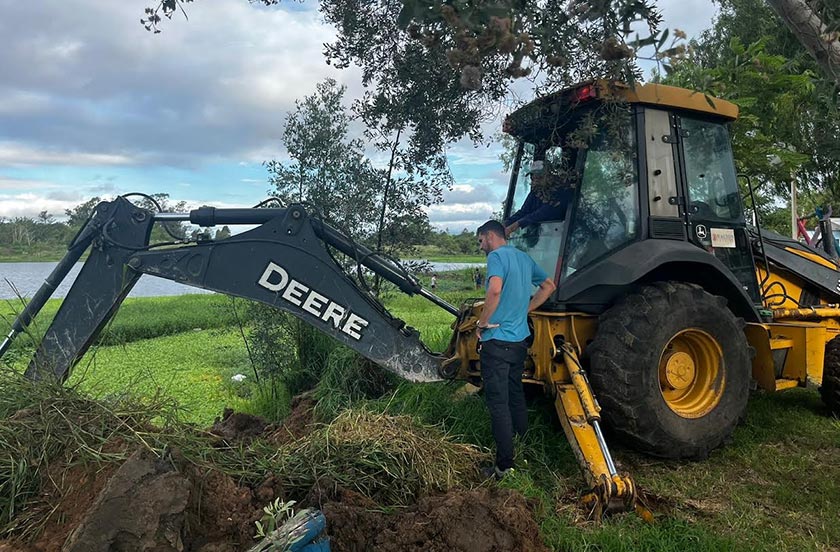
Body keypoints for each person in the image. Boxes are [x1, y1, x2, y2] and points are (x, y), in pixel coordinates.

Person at [475, 220, 557, 479]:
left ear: (489, 236)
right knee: (515, 395)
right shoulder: (523, 258)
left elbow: (495, 289)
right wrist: (527, 309)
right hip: (520, 341)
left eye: (480, 241)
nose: (481, 247)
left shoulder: (497, 257)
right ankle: (523, 447)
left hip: (496, 341)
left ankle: (503, 466)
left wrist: (483, 322)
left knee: (498, 403)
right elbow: (549, 286)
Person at [504, 160, 574, 237]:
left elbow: (546, 212)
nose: (535, 179)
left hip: (560, 237)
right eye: (533, 176)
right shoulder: (535, 192)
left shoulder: (561, 191)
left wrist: (517, 225)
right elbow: (523, 211)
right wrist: (504, 225)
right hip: (541, 238)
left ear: (549, 175)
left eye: (539, 176)